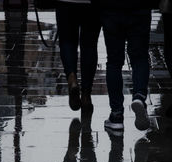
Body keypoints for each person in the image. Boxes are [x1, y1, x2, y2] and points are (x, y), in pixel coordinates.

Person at [91, 0, 159, 131]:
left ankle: (116, 115)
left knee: (114, 62)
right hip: (140, 8)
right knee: (139, 57)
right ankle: (139, 96)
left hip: (111, 9)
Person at [56, 0, 101, 114]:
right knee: (89, 45)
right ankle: (86, 95)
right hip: (92, 4)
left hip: (65, 2)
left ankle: (72, 77)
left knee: (67, 41)